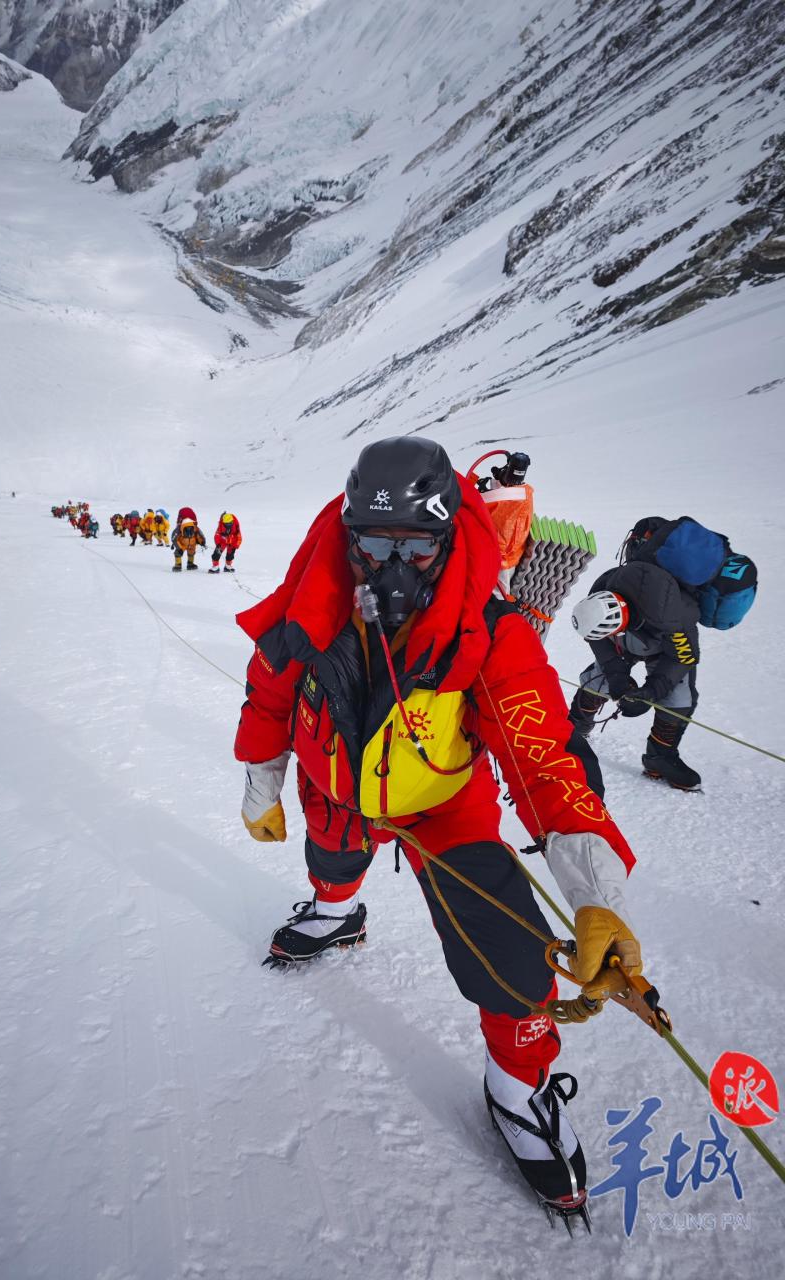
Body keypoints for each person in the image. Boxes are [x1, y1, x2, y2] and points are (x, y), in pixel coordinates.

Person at [233, 437, 642, 1224]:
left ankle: (518, 1085)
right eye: (373, 543)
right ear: (349, 534)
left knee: (512, 951)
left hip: (442, 802)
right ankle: (337, 912)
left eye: (415, 546)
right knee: (333, 854)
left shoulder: (488, 631)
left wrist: (597, 894)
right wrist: (261, 780)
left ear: (449, 537)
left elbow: (542, 760)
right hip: (338, 781)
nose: (389, 565)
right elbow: (269, 693)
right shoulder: (308, 604)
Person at [569, 517, 757, 791]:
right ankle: (573, 729)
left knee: (679, 697)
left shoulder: (675, 615)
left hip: (666, 641)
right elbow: (596, 638)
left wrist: (651, 692)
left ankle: (660, 756)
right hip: (632, 628)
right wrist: (618, 675)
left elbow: (684, 656)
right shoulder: (602, 589)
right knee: (602, 677)